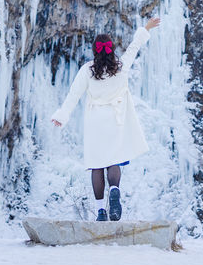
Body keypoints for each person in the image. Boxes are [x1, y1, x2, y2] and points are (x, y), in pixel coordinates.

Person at [51, 16, 160, 221]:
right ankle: (115, 189)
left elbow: (73, 95)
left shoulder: (87, 70)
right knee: (114, 161)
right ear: (111, 49)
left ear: (95, 50)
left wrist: (62, 115)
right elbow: (133, 47)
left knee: (97, 165)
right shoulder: (121, 66)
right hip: (115, 120)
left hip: (95, 122)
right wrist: (146, 28)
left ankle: (101, 211)